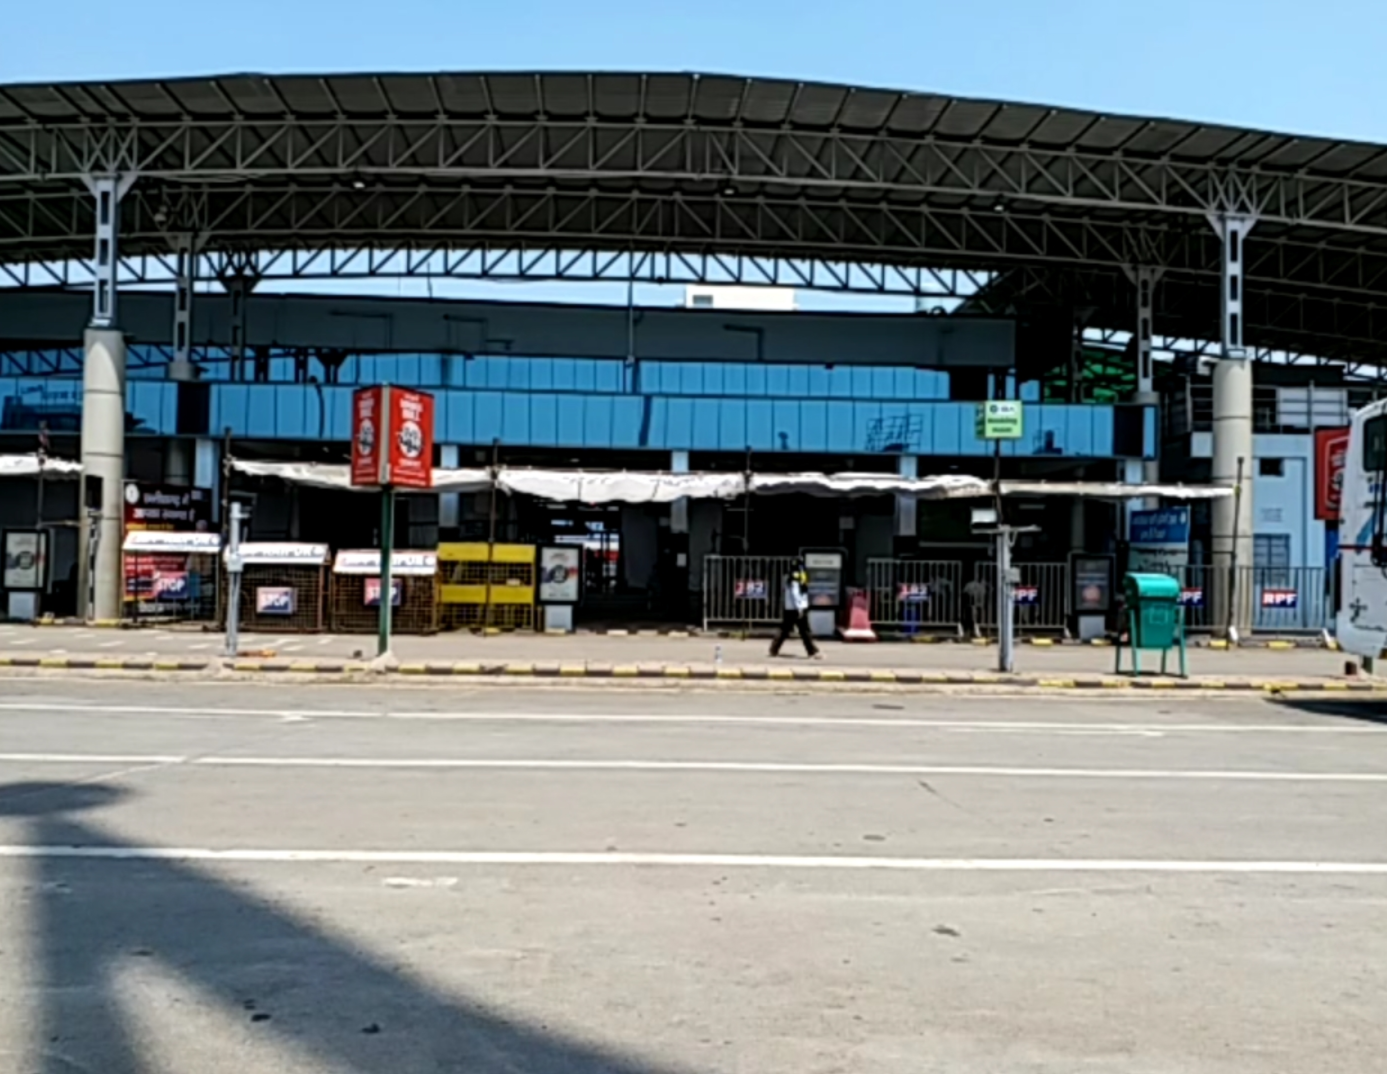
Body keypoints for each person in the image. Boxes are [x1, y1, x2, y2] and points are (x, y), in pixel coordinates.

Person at [770, 558, 821, 659]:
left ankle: (774, 649)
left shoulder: (789, 575)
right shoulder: (796, 576)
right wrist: (800, 608)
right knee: (804, 630)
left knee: (785, 629)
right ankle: (812, 651)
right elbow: (796, 593)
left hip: (790, 608)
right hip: (797, 608)